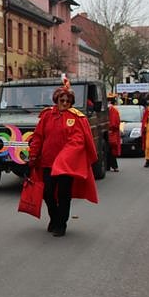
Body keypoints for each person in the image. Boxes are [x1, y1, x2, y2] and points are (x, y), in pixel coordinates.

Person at [28, 76, 99, 237]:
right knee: (48, 193)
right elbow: (38, 136)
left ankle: (61, 224)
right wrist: (33, 156)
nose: (65, 103)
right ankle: (55, 218)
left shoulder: (76, 118)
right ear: (57, 100)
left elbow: (78, 141)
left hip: (67, 166)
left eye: (68, 100)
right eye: (62, 99)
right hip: (47, 162)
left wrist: (64, 158)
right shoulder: (47, 115)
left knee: (63, 195)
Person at [107, 95, 121, 172]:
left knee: (111, 150)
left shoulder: (113, 111)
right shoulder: (112, 110)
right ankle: (109, 166)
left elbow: (115, 123)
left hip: (111, 133)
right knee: (109, 150)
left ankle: (113, 166)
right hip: (110, 133)